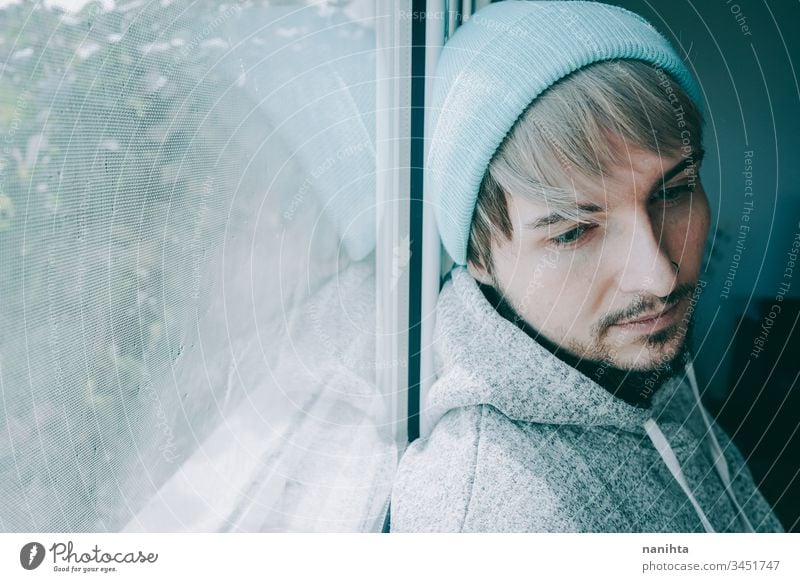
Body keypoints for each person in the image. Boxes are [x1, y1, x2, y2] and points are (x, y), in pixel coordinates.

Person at [390, 1, 783, 532]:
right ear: (480, 256)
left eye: (675, 191)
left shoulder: (624, 356)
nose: (659, 278)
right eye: (573, 230)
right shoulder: (501, 518)